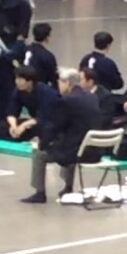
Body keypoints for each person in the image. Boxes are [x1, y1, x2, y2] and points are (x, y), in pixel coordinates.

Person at [22, 68, 102, 203]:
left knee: (40, 154)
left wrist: (42, 143)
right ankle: (68, 187)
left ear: (67, 83)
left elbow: (55, 126)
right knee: (67, 144)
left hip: (77, 151)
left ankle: (39, 192)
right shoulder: (92, 97)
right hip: (94, 149)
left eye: (59, 82)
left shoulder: (67, 100)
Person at [4, 66, 60, 143]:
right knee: (2, 126)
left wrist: (23, 126)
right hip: (33, 120)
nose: (17, 82)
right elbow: (12, 111)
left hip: (49, 121)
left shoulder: (45, 92)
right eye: (16, 79)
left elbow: (44, 116)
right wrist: (13, 126)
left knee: (44, 128)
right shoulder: (18, 91)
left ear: (30, 82)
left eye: (20, 80)